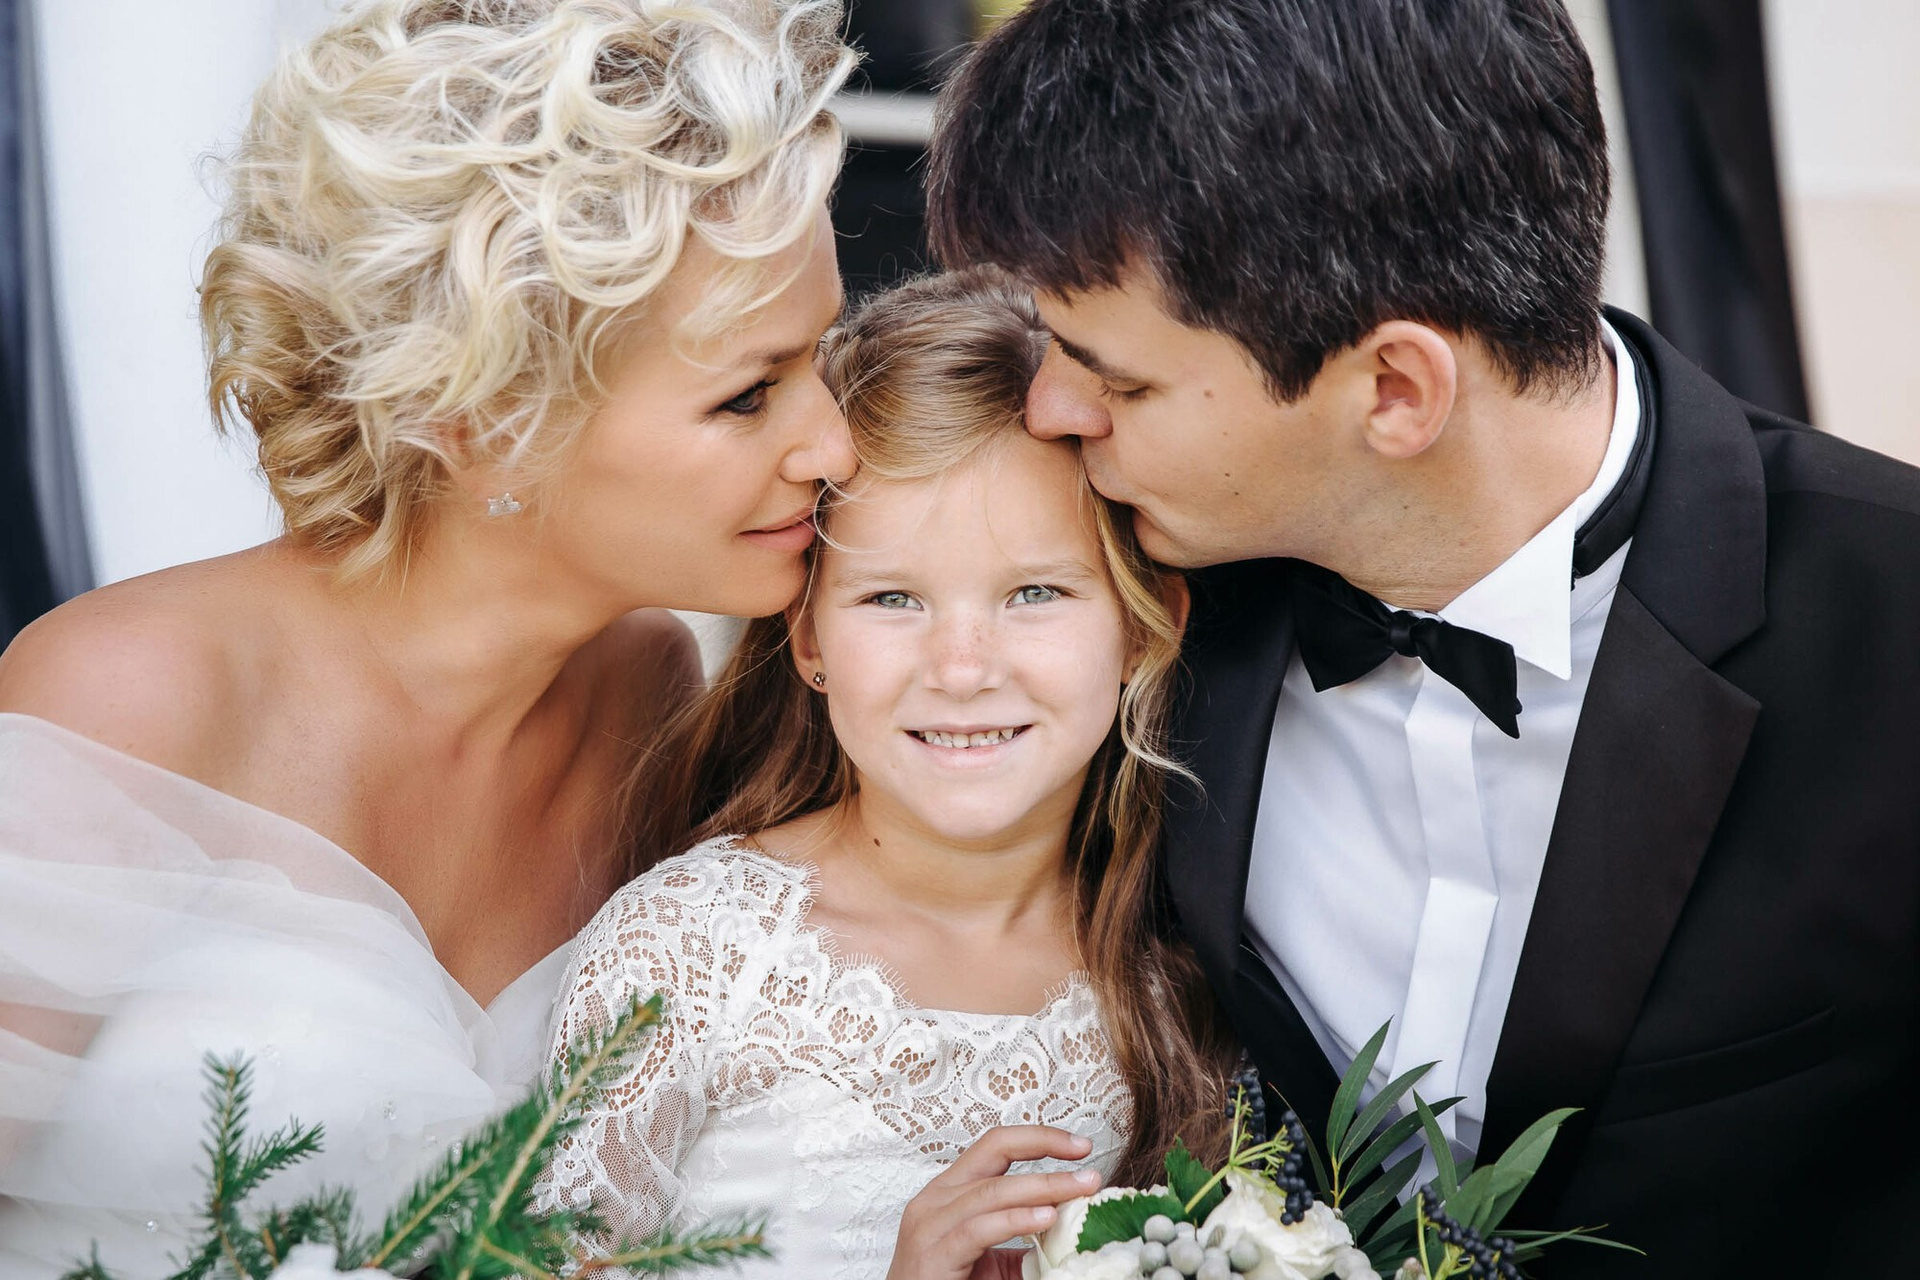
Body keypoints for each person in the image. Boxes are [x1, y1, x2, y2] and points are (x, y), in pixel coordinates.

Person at [926, 1, 1920, 1275]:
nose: (1053, 409)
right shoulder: (1099, 586)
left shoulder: (1893, 637)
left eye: (1119, 379)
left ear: (1396, 390)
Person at [0, 0, 854, 1271]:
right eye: (748, 394)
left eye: (824, 358)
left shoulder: (646, 691)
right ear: (482, 416)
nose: (834, 443)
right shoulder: (128, 698)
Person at [534, 269, 1228, 1279]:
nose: (962, 668)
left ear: (1142, 626)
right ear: (810, 637)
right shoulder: (690, 952)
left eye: (1034, 592)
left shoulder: (1182, 988)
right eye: (893, 598)